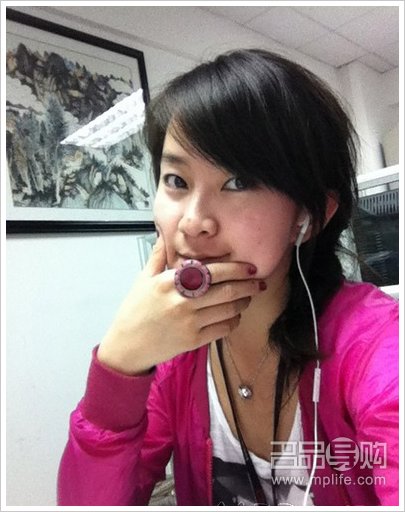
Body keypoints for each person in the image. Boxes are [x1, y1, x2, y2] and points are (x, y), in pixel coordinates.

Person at [57, 49, 399, 506]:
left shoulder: (377, 346)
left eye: (237, 182)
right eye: (176, 181)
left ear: (310, 215)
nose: (192, 222)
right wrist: (119, 365)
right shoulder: (175, 352)